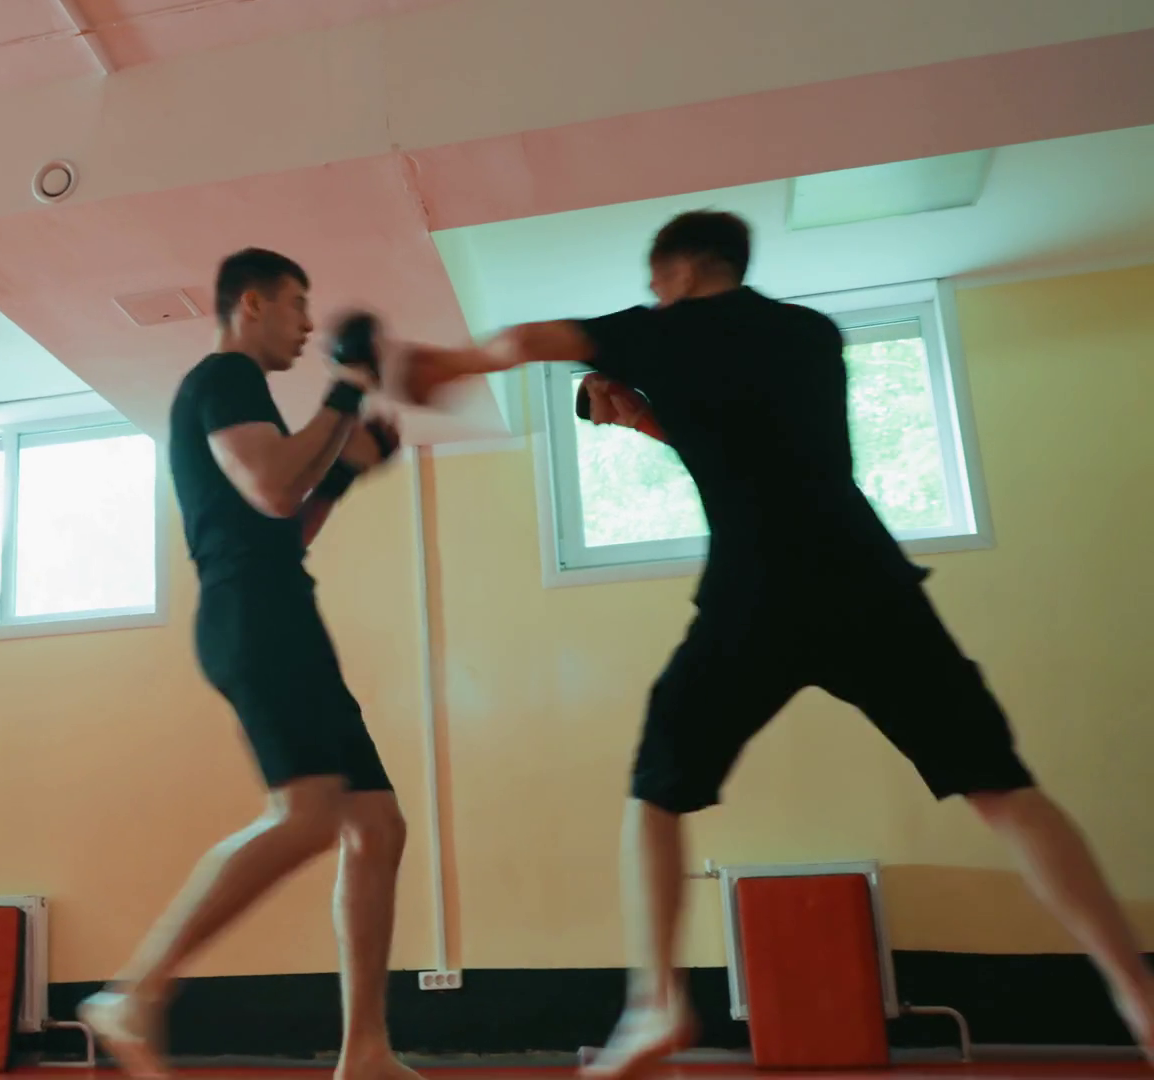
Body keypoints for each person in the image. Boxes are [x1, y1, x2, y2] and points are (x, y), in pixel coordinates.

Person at [372, 210, 1154, 1075]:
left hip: (758, 593)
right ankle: (1135, 990)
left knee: (656, 791)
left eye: (655, 285)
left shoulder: (661, 330)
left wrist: (443, 364)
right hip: (868, 583)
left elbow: (528, 339)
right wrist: (650, 423)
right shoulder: (812, 335)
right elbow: (765, 450)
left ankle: (656, 1004)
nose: (652, 298)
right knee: (1003, 787)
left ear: (675, 273)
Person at [78, 248, 420, 1080]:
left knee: (377, 826)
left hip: (278, 609)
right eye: (298, 304)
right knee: (307, 817)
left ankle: (365, 1050)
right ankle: (134, 994)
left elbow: (284, 527)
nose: (307, 324)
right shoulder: (224, 377)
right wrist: (346, 388)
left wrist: (343, 475)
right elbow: (272, 488)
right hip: (255, 618)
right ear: (253, 303)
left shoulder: (241, 398)